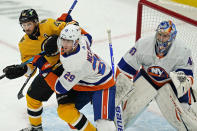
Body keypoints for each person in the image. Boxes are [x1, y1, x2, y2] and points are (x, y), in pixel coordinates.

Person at [2, 9, 92, 131]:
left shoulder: (48, 25)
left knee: (66, 110)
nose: (27, 28)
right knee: (32, 98)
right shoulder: (23, 44)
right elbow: (31, 69)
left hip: (66, 66)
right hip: (48, 71)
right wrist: (21, 70)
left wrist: (59, 38)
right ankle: (36, 128)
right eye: (24, 25)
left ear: (36, 22)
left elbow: (73, 31)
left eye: (29, 24)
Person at [32, 24, 116, 131]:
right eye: (63, 40)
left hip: (102, 85)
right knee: (66, 112)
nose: (64, 44)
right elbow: (87, 36)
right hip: (84, 82)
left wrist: (44, 67)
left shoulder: (75, 64)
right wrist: (69, 22)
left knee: (104, 125)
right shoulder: (80, 40)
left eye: (69, 41)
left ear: (76, 42)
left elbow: (59, 88)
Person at [115, 20, 197, 130]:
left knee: (185, 120)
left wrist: (182, 85)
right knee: (126, 112)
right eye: (159, 34)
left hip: (169, 83)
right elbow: (123, 70)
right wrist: (117, 91)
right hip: (147, 79)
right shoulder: (143, 44)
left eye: (165, 36)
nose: (161, 39)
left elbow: (188, 77)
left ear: (173, 36)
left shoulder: (182, 51)